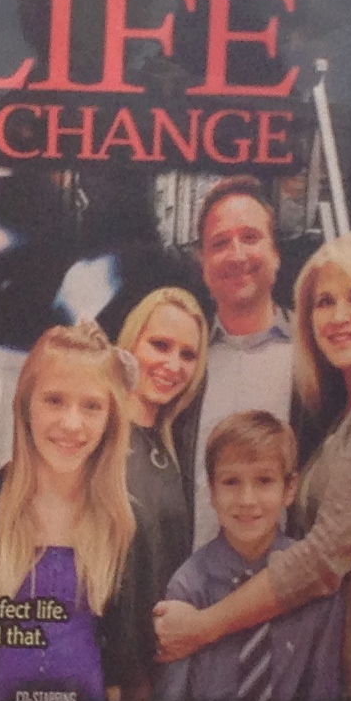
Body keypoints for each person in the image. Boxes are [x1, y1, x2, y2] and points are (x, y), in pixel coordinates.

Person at [154, 230, 351, 701]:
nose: (339, 317)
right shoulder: (348, 404)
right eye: (324, 302)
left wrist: (204, 626)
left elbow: (324, 557)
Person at [0, 324, 146, 701]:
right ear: (25, 405)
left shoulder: (128, 521)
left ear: (111, 418)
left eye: (91, 406)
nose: (72, 423)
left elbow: (132, 670)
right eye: (54, 400)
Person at [153, 412, 343, 701]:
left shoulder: (312, 584)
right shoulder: (189, 585)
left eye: (264, 481)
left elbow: (323, 696)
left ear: (290, 488)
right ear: (212, 492)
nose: (247, 499)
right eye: (231, 482)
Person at [184, 178, 296, 544]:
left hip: (289, 591)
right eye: (219, 243)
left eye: (250, 237)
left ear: (276, 253)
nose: (236, 255)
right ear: (203, 262)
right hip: (188, 590)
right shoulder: (184, 360)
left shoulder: (315, 356)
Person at [112, 283, 209, 663]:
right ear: (132, 343)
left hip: (163, 666)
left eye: (188, 354)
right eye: (160, 345)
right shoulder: (97, 442)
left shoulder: (175, 452)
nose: (173, 365)